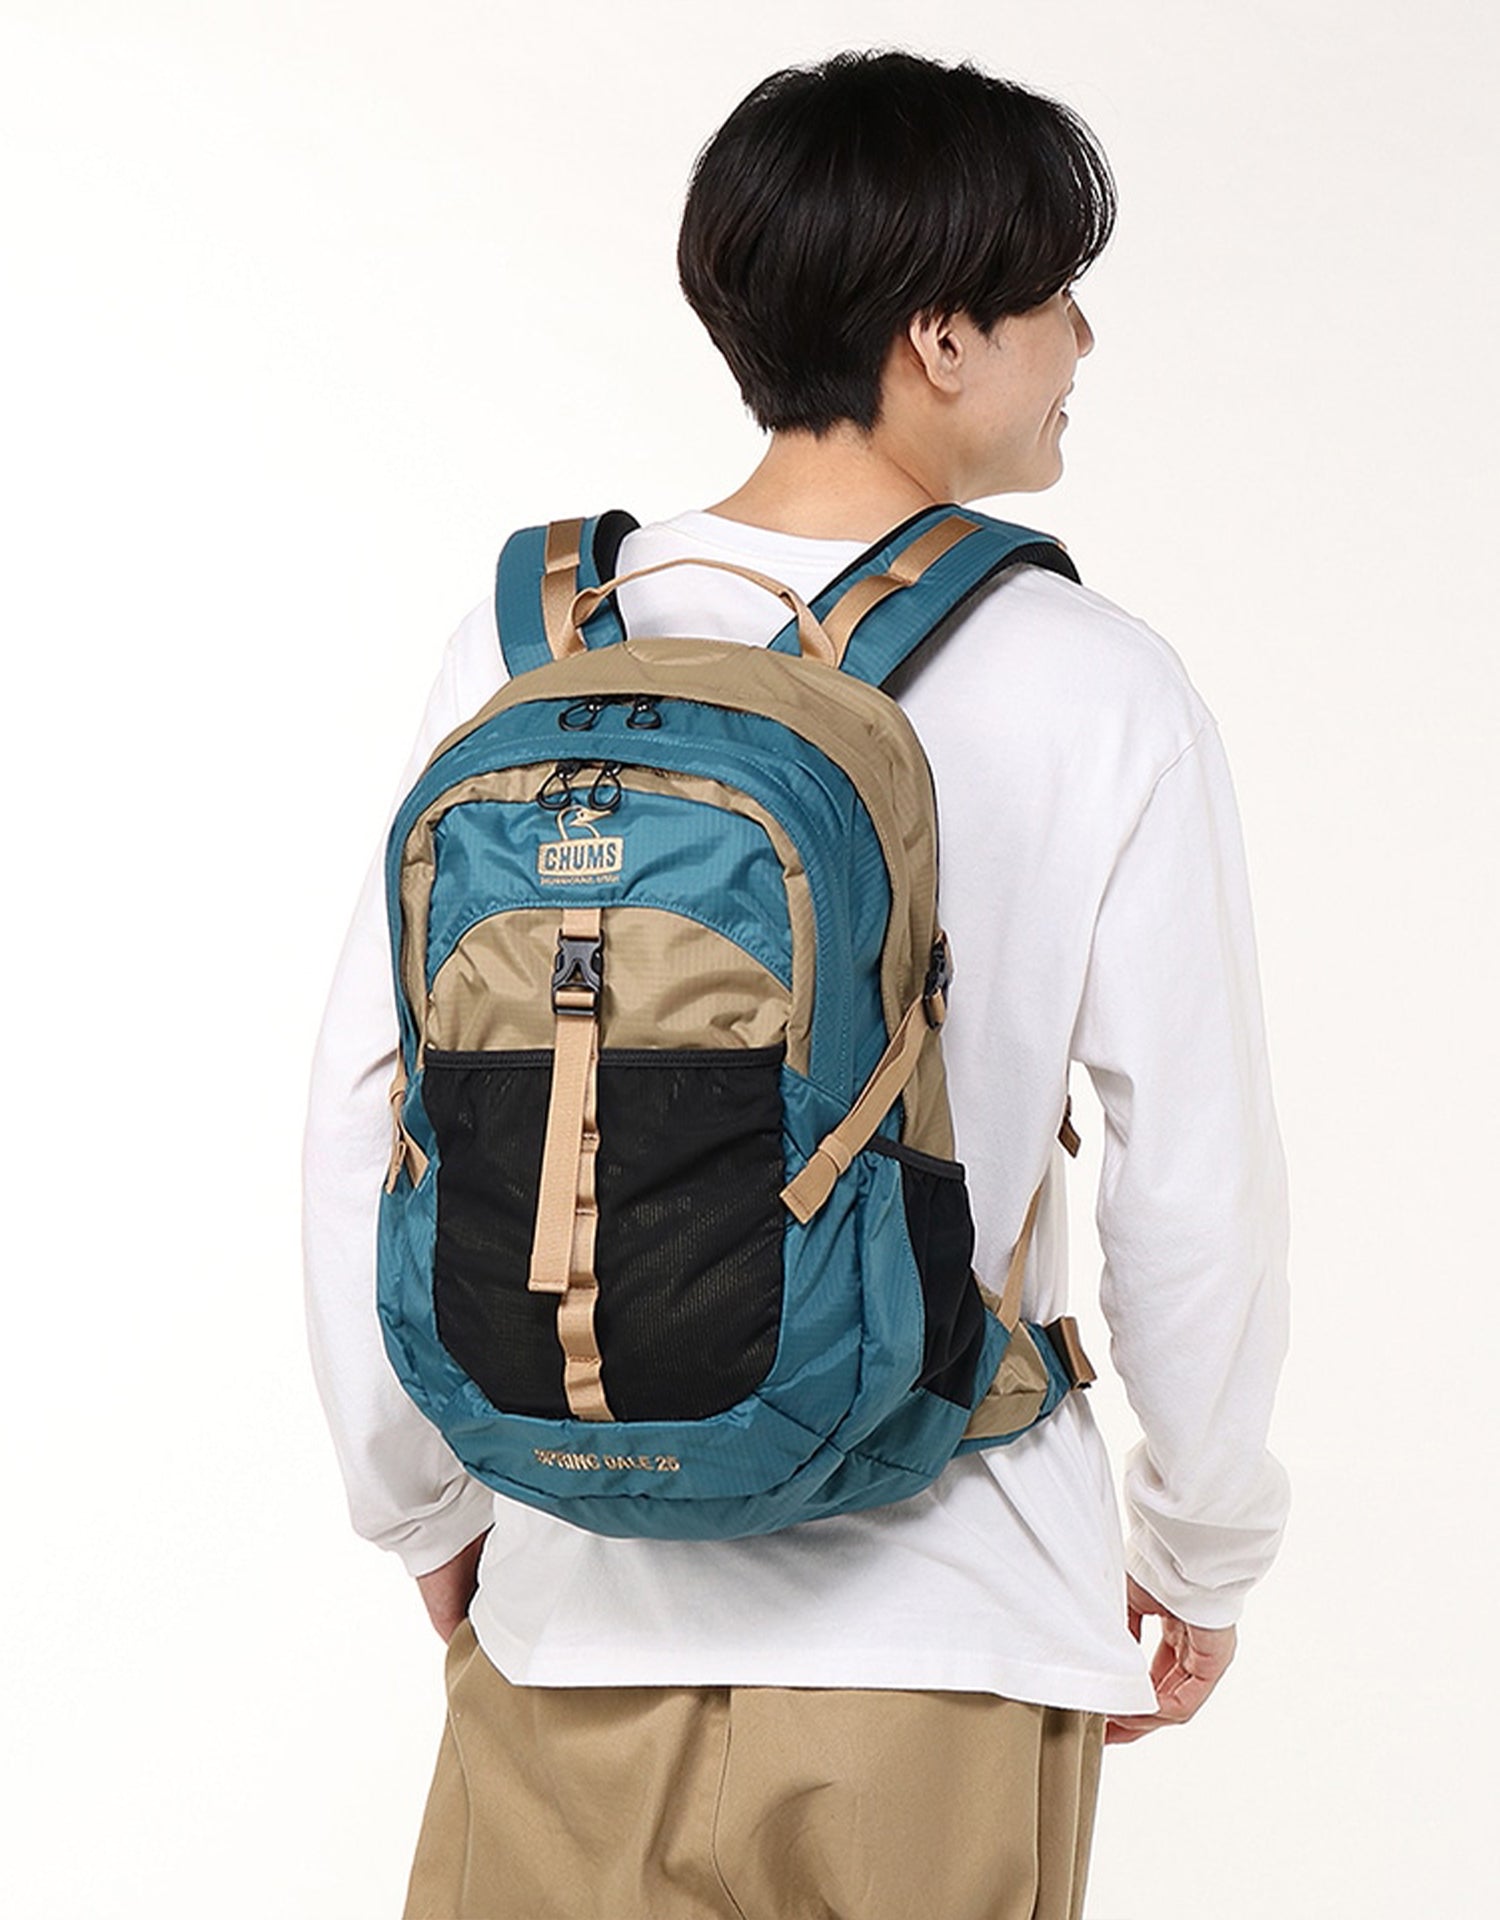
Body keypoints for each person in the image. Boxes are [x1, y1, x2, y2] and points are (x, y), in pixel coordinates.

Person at [304, 48, 1290, 1920]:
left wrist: (418, 1506)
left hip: (571, 1613)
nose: (1083, 340)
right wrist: (1202, 1547)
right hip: (949, 1628)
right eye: (1056, 295)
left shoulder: (531, 655)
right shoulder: (1100, 681)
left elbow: (371, 1114)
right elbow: (1193, 1176)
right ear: (940, 338)